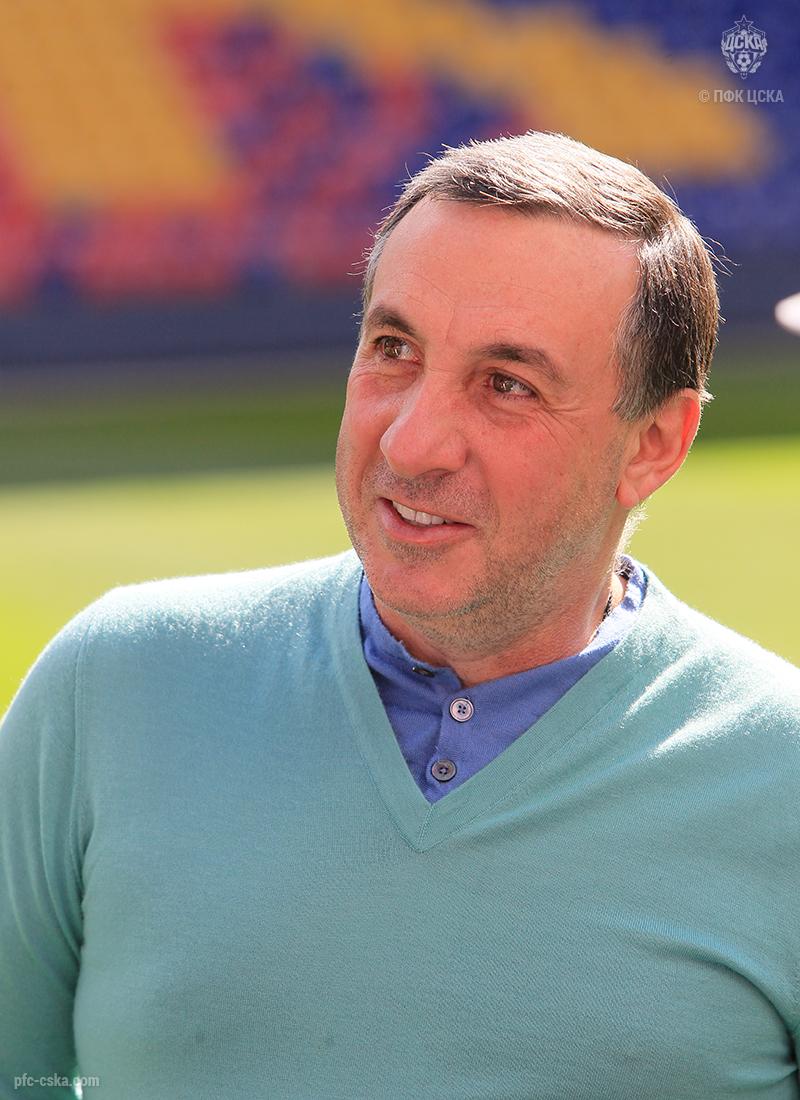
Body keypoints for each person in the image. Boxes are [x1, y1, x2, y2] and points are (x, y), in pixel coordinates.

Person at [1, 131, 799, 1100]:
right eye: (393, 349)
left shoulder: (780, 775)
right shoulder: (114, 686)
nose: (412, 443)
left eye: (507, 385)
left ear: (654, 444)